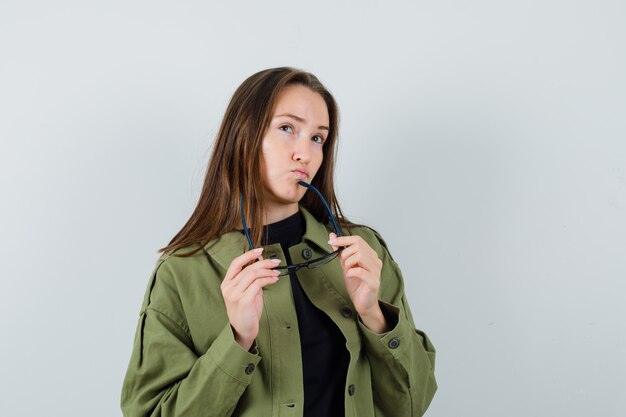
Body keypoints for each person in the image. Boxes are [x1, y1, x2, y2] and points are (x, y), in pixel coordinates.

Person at [121, 67, 437, 417]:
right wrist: (238, 340)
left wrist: (374, 317)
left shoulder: (363, 251)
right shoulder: (182, 273)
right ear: (244, 136)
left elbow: (412, 404)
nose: (305, 153)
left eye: (318, 138)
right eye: (287, 129)